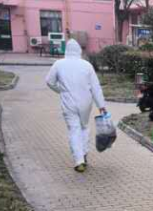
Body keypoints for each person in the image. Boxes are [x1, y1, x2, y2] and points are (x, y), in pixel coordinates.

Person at [46, 39, 107, 173]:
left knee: (74, 130)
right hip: (85, 102)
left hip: (68, 103)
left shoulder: (58, 64)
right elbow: (95, 87)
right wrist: (101, 105)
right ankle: (84, 153)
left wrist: (60, 90)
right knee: (84, 127)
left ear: (66, 50)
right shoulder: (87, 65)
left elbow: (49, 81)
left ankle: (79, 161)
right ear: (79, 50)